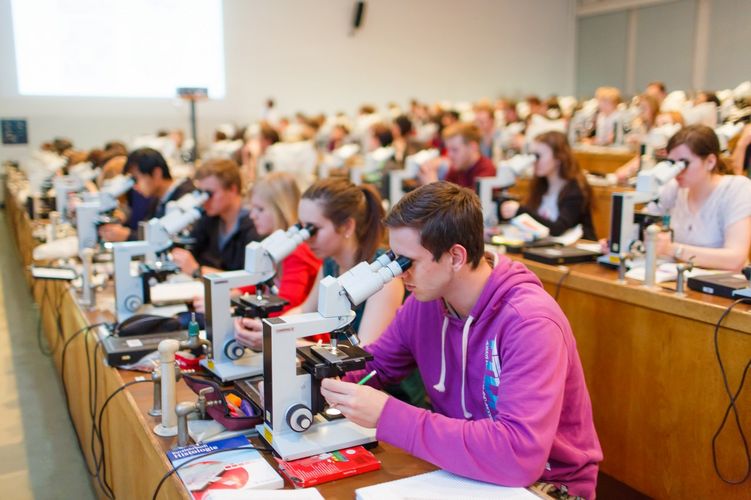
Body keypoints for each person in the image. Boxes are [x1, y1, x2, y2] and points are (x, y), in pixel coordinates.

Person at [320, 182, 602, 497]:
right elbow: (375, 367)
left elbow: (518, 455)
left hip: (543, 485)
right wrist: (313, 377)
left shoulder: (530, 322)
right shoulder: (425, 304)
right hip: (466, 472)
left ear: (455, 256)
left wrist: (390, 415)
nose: (399, 274)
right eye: (393, 259)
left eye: (407, 262)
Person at [234, 178, 404, 349]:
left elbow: (365, 352)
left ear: (346, 227)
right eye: (303, 228)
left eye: (314, 228)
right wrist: (268, 328)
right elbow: (305, 310)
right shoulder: (331, 263)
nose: (307, 237)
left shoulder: (385, 278)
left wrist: (279, 341)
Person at [651, 125, 751, 271]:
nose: (678, 171)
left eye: (684, 163)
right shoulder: (674, 187)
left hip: (722, 286)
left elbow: (735, 259)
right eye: (672, 163)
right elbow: (645, 220)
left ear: (710, 162)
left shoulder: (736, 188)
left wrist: (673, 249)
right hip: (677, 282)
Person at [234, 172, 321, 313]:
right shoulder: (271, 244)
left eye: (260, 209)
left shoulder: (297, 252)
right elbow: (252, 284)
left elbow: (287, 306)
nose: (252, 215)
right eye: (252, 208)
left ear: (281, 211)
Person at [500, 131, 596, 240]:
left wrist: (521, 211)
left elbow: (558, 229)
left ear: (559, 157)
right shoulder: (540, 186)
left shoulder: (576, 189)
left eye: (538, 156)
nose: (534, 161)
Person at [172, 158, 260, 275]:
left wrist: (198, 271)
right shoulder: (209, 219)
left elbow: (248, 280)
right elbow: (191, 250)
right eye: (201, 194)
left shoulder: (255, 226)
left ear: (232, 189)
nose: (204, 201)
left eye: (209, 194)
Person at [98, 147, 194, 242]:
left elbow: (167, 239)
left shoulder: (184, 197)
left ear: (156, 173)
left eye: (136, 179)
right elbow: (147, 230)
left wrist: (128, 236)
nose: (134, 187)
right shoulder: (157, 199)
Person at [419, 122, 496, 189]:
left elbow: (471, 205)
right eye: (448, 150)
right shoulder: (457, 168)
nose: (449, 155)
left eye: (455, 150)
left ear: (473, 147)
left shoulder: (486, 171)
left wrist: (433, 187)